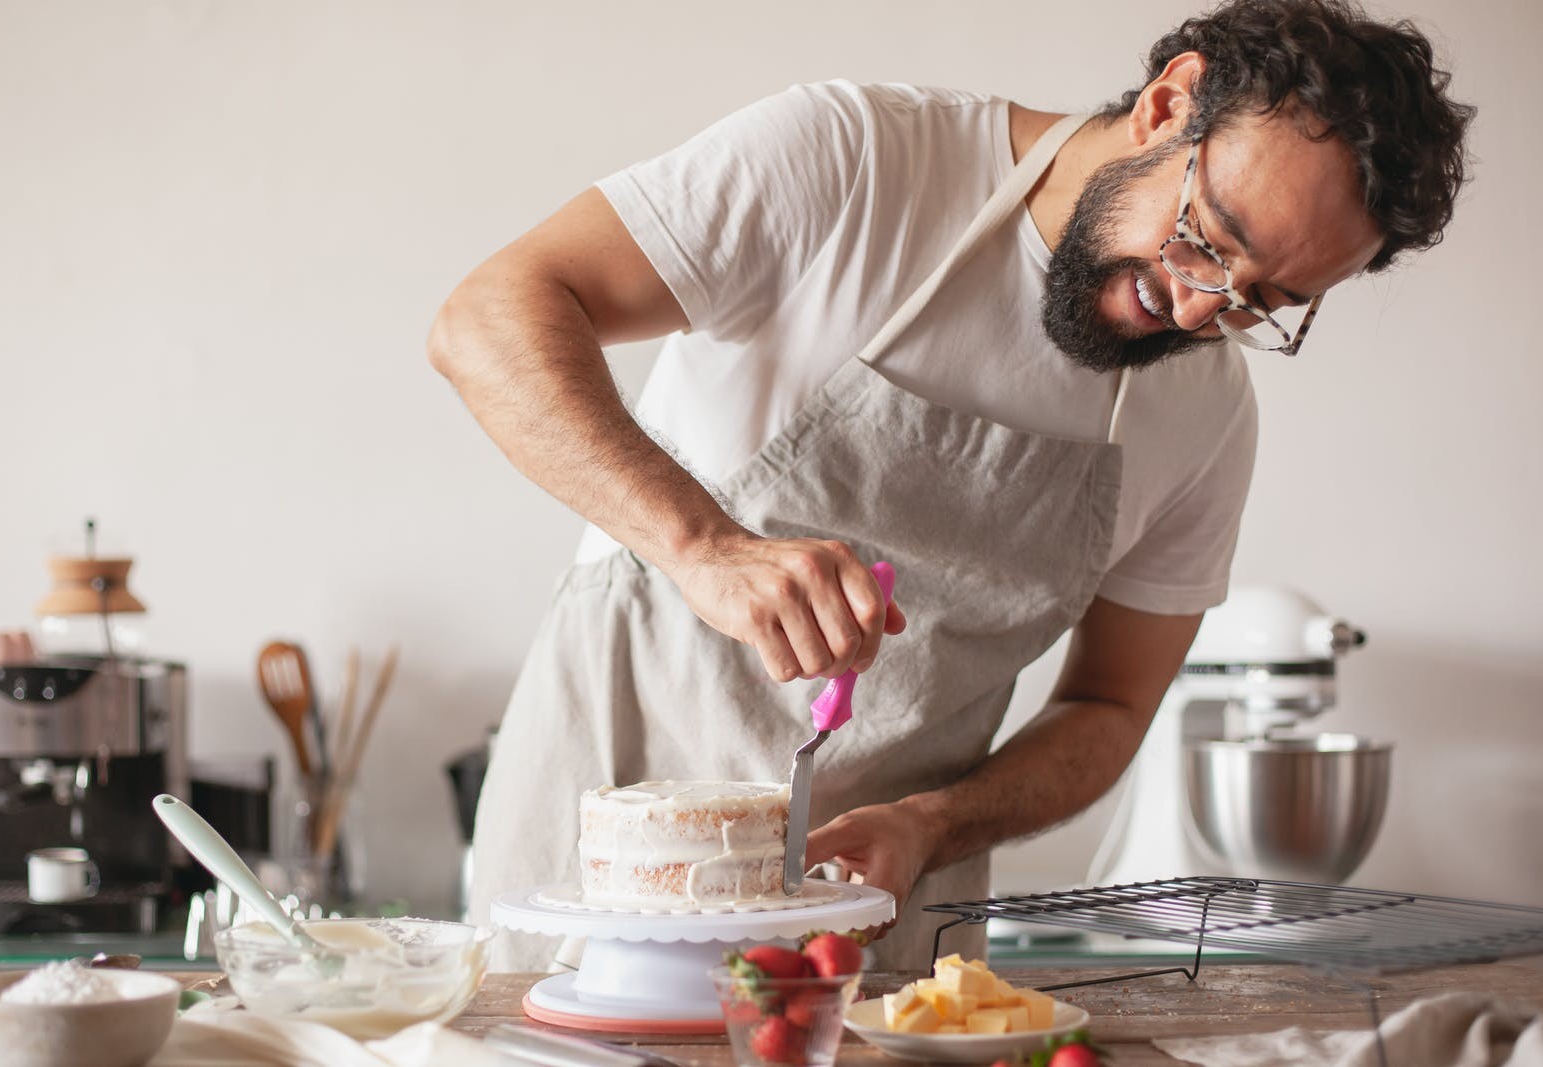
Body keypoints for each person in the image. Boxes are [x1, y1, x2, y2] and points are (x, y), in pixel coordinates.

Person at [429, 0, 1473, 971]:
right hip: (595, 869)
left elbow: (1107, 705)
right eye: (1211, 241)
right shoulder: (858, 163)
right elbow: (489, 315)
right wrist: (703, 544)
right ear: (1169, 104)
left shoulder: (1204, 419)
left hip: (875, 933)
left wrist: (932, 823)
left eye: (1264, 301)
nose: (1202, 310)